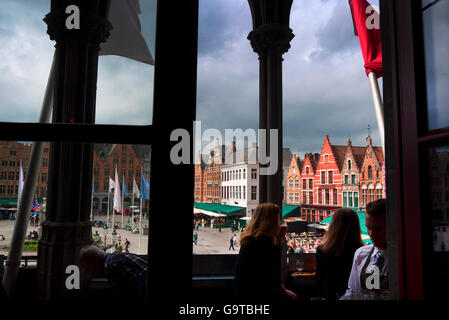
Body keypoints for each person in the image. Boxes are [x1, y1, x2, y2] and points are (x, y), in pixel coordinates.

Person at [234, 202, 298, 302]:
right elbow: (271, 277)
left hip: (244, 294)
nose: (280, 223)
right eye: (277, 219)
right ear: (271, 222)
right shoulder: (264, 244)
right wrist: (278, 244)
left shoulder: (250, 240)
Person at [340, 199, 389, 299]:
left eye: (377, 229)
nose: (371, 233)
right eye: (368, 228)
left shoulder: (403, 258)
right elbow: (352, 292)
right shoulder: (361, 254)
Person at [314, 208, 364, 300]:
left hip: (328, 295)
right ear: (356, 226)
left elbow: (319, 278)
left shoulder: (322, 250)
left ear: (333, 225)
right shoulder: (361, 251)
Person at [80, 244, 147, 300]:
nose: (88, 272)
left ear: (93, 262)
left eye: (87, 268)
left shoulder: (111, 265)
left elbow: (136, 292)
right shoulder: (116, 257)